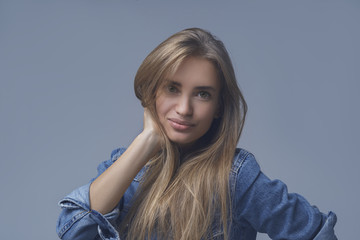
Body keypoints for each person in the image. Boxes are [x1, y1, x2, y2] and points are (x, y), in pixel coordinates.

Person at [56, 28, 337, 240]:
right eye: (172, 88)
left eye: (202, 94)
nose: (184, 108)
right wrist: (145, 142)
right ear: (153, 92)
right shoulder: (127, 166)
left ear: (218, 107)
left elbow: (315, 233)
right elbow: (73, 230)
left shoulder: (235, 178)